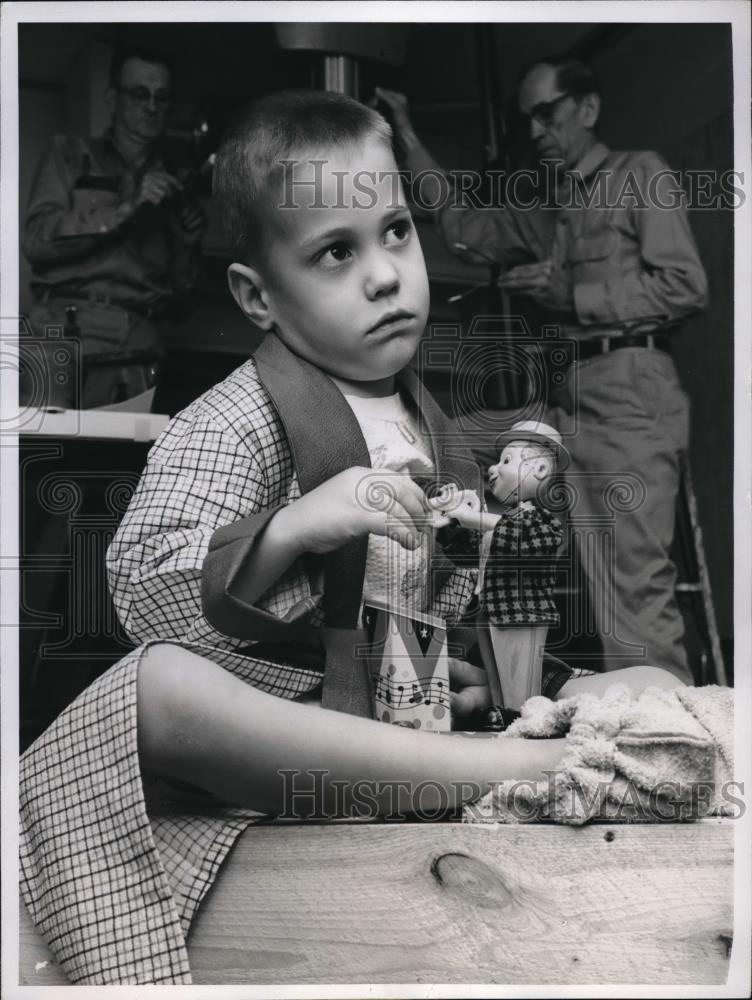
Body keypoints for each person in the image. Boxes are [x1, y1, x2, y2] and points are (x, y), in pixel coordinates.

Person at [19, 89, 682, 986]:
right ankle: (501, 769)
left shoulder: (424, 420)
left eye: (397, 231)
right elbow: (143, 581)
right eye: (337, 251)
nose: (384, 274)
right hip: (288, 718)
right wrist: (293, 523)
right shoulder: (238, 416)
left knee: (640, 680)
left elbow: (418, 601)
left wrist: (463, 635)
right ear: (257, 296)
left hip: (389, 708)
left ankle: (481, 755)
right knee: (158, 692)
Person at [374, 57, 708, 683]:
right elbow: (462, 224)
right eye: (525, 119)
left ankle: (670, 750)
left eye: (547, 113)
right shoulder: (548, 207)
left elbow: (686, 286)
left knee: (630, 587)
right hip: (562, 399)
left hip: (630, 388)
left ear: (587, 108)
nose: (535, 131)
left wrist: (572, 296)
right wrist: (407, 135)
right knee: (436, 442)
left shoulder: (641, 175)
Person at [22, 47, 206, 409]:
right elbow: (37, 241)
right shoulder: (70, 156)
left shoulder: (175, 185)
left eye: (162, 97)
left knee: (119, 463)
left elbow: (182, 309)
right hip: (59, 335)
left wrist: (188, 246)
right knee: (44, 456)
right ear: (113, 98)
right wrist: (127, 208)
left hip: (135, 349)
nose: (152, 106)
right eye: (140, 94)